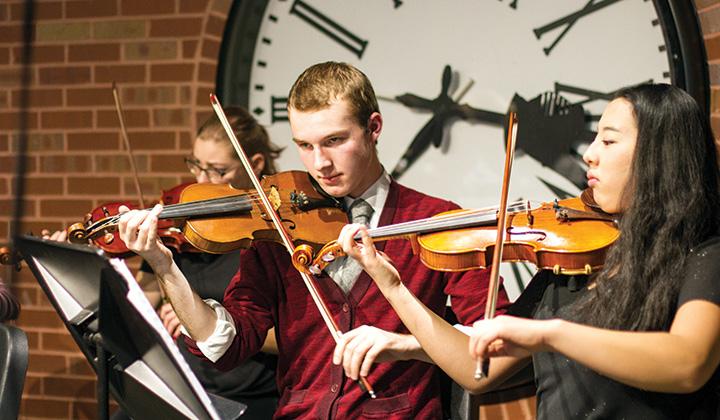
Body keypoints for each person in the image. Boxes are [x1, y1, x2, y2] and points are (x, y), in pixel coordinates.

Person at [117, 61, 509, 419]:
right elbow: (225, 345)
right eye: (305, 145)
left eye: (334, 141)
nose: (319, 163)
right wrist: (165, 267)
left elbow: (494, 347)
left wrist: (404, 344)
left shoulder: (436, 220)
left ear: (374, 127)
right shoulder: (277, 226)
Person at [338, 83, 720, 419]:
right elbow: (477, 370)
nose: (589, 154)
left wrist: (550, 334)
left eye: (608, 140)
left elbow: (688, 362)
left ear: (660, 155)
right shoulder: (570, 264)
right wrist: (393, 287)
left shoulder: (705, 254)